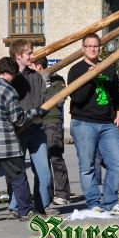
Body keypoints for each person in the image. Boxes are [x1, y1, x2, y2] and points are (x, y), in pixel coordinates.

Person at [68, 33, 119, 215]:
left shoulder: (108, 68)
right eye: (89, 46)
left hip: (107, 123)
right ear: (83, 49)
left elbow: (117, 93)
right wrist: (89, 78)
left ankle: (110, 202)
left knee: (117, 162)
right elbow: (77, 98)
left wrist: (118, 112)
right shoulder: (76, 70)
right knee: (87, 166)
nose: (93, 49)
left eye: (96, 46)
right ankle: (93, 202)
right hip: (83, 122)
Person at [0, 57, 42, 223]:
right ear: (10, 73)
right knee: (18, 178)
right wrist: (34, 113)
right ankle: (25, 211)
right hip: (5, 143)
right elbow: (17, 119)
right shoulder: (9, 90)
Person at [7, 40, 53, 217]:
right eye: (29, 53)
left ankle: (42, 205)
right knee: (18, 172)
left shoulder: (36, 77)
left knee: (44, 172)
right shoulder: (9, 78)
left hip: (36, 128)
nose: (32, 56)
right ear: (18, 55)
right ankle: (15, 206)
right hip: (16, 130)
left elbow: (45, 98)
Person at [31, 56, 71, 206]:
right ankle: (45, 194)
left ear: (39, 67)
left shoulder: (58, 80)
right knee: (42, 162)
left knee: (55, 157)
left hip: (52, 121)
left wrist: (46, 83)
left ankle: (62, 193)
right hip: (37, 122)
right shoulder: (33, 80)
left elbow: (59, 100)